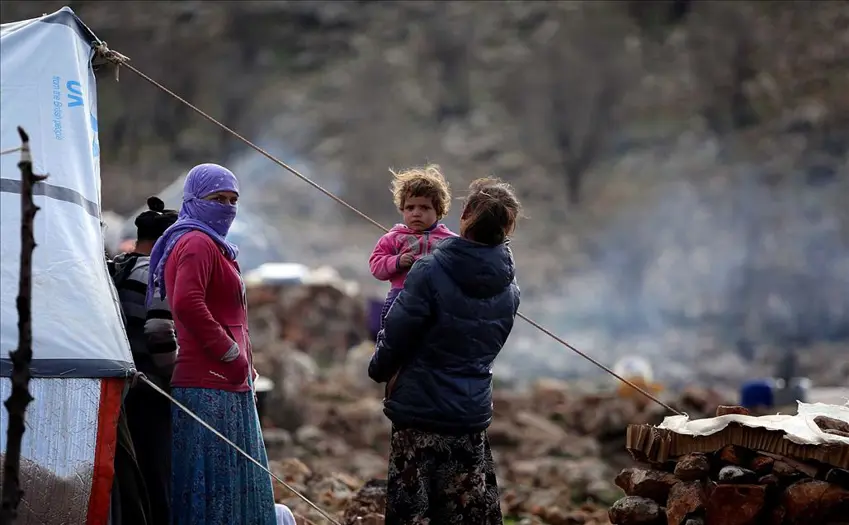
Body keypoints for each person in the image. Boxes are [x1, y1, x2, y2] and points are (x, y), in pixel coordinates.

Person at [368, 177, 522, 525]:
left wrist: (379, 370)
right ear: (506, 227)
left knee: (414, 511)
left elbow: (396, 333)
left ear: (463, 214)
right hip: (470, 413)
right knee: (463, 511)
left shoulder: (428, 269)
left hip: (420, 409)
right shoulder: (509, 286)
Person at [147, 163, 276, 525]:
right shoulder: (196, 242)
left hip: (227, 381)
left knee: (232, 487)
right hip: (207, 383)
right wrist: (229, 351)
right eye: (217, 198)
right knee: (216, 491)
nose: (227, 207)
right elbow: (187, 303)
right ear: (194, 199)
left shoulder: (215, 246)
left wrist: (242, 361)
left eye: (233, 200)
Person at [112, 196, 179, 525]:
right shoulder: (157, 272)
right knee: (158, 478)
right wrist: (176, 376)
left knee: (128, 478)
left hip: (119, 389)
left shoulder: (115, 267)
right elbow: (158, 329)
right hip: (152, 390)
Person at [368, 164, 456, 331]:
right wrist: (397, 261)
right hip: (400, 298)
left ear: (438, 211)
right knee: (393, 340)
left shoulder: (450, 241)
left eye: (424, 207)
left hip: (436, 302)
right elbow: (376, 266)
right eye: (410, 207)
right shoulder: (393, 238)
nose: (416, 213)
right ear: (402, 210)